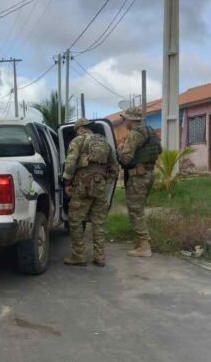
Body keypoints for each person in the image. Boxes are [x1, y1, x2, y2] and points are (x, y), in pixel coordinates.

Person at [62, 118, 120, 267]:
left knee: (75, 220)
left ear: (80, 129)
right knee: (98, 222)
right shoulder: (105, 142)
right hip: (100, 186)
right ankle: (100, 257)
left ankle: (78, 256)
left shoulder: (78, 140)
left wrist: (67, 182)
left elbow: (70, 163)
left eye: (77, 131)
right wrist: (104, 181)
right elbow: (114, 167)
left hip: (83, 185)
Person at [118, 109, 162, 257]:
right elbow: (159, 150)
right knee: (140, 209)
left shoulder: (134, 135)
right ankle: (142, 241)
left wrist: (119, 150)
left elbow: (125, 159)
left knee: (135, 211)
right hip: (149, 174)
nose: (124, 123)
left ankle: (144, 246)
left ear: (131, 120)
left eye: (124, 120)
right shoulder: (151, 132)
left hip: (138, 177)